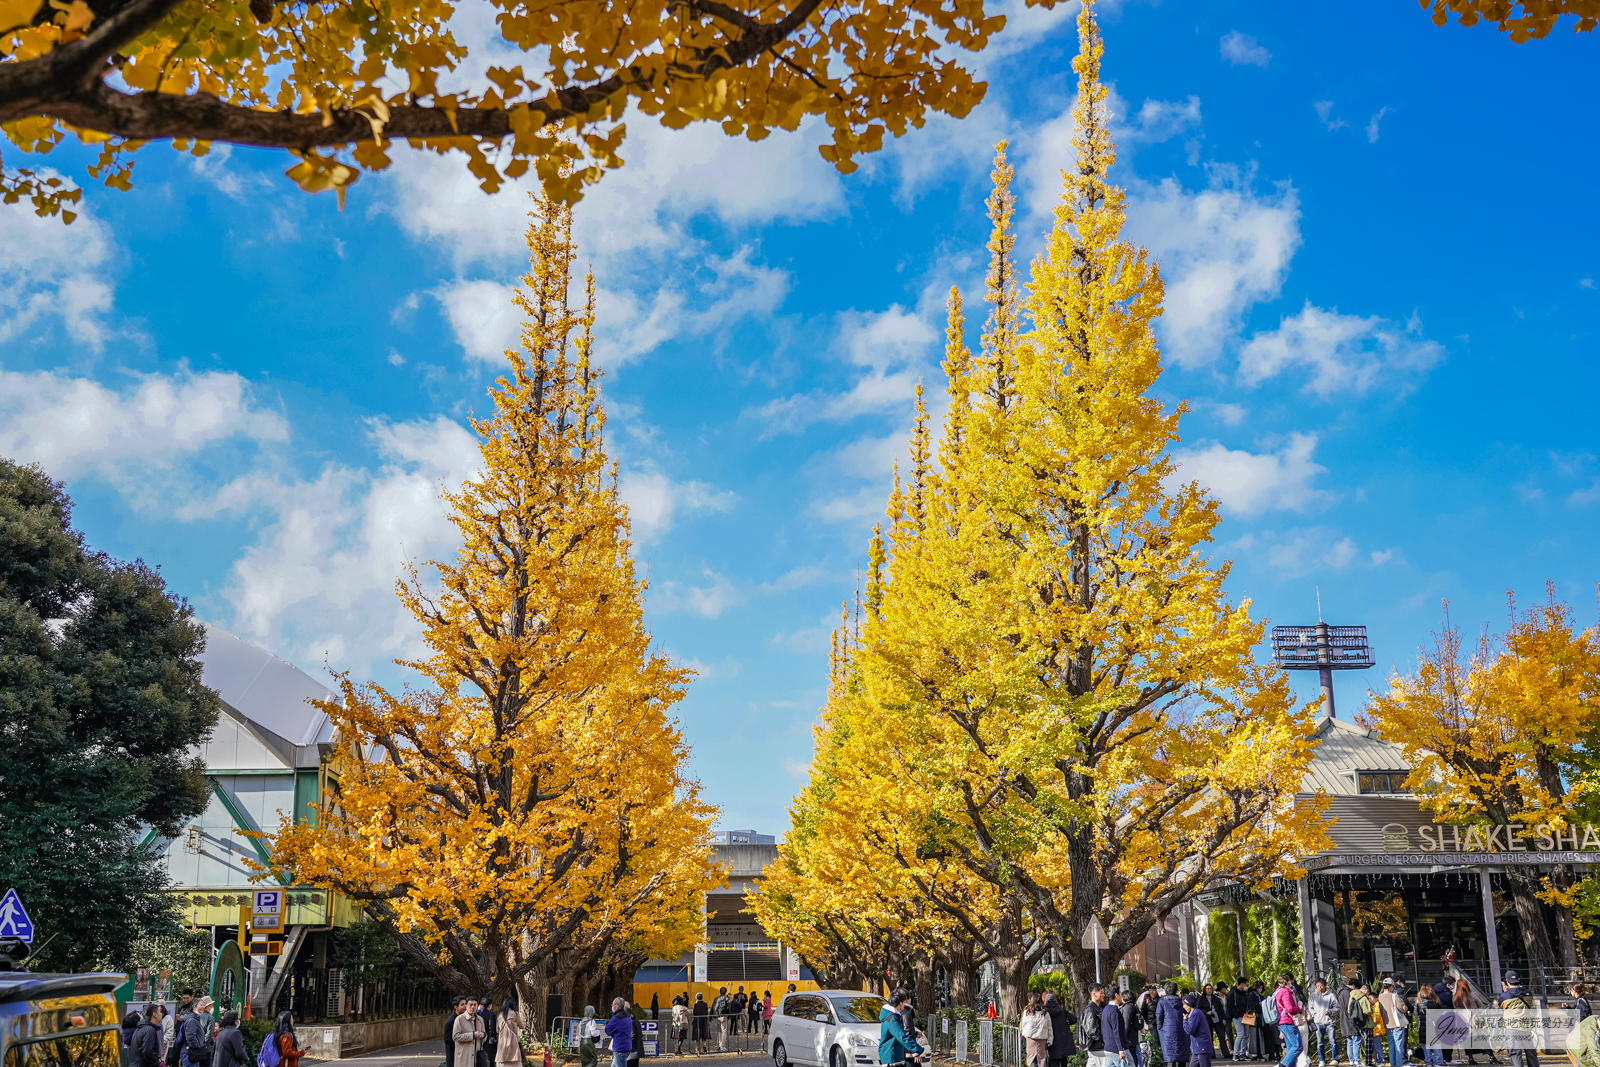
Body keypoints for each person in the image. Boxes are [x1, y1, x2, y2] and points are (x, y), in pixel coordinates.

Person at [1500, 972, 1539, 1067]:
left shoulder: (1505, 996)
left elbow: (1502, 1006)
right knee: (1531, 1053)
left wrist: (1505, 991)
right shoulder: (1528, 993)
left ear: (1507, 981)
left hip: (1512, 1028)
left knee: (1515, 1054)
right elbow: (1529, 1006)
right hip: (1526, 1027)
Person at [1270, 976, 1303, 1067]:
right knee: (1297, 1046)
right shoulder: (1285, 991)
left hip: (1280, 1022)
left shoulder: (1277, 992)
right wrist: (1299, 1007)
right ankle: (1283, 1065)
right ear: (1288, 982)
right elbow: (1289, 1008)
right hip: (1287, 1021)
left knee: (1290, 1048)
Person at [880, 990, 917, 1067]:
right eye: (904, 1002)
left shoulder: (892, 1016)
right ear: (900, 1003)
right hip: (892, 1056)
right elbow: (901, 1035)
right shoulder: (892, 1018)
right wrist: (916, 1049)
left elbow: (897, 1032)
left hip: (894, 1054)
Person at [1377, 979, 1407, 1067]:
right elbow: (1403, 1009)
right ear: (1390, 987)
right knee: (1398, 1045)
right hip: (1396, 1023)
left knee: (1391, 1045)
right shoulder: (1395, 996)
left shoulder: (1379, 997)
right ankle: (1399, 1064)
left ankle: (1392, 1064)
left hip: (1387, 1024)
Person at [1309, 980, 1339, 1067]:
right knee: (1320, 1042)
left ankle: (1335, 1059)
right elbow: (1310, 1007)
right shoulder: (1312, 996)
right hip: (1318, 1022)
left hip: (1329, 1022)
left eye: (1321, 985)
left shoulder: (1331, 996)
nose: (1319, 987)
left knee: (1332, 1041)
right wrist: (1315, 1015)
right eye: (1317, 985)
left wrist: (1330, 1012)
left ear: (1325, 986)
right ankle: (1321, 1060)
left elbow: (1337, 1007)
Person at [1157, 984, 1187, 1067]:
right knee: (1182, 1057)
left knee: (1170, 1057)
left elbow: (1159, 1018)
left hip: (1167, 1031)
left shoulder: (1162, 1001)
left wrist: (1160, 1030)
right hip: (1182, 1030)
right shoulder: (1181, 1001)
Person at [1023, 993, 1055, 1067]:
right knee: (1041, 1060)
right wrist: (1050, 1040)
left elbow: (1023, 1025)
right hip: (1042, 1040)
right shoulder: (1045, 1013)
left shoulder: (1027, 1012)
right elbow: (1049, 1027)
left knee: (1032, 1059)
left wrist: (1025, 1034)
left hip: (1031, 1039)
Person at [1045, 991, 1076, 1067]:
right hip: (1064, 1040)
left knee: (1053, 1061)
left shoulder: (1045, 1012)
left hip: (1052, 1040)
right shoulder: (1062, 1011)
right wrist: (1067, 1024)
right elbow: (1074, 1019)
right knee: (1064, 1061)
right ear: (1054, 1000)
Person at [1080, 985, 1109, 1067]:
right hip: (1098, 1048)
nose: (1103, 995)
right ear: (1094, 994)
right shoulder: (1091, 1010)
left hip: (1095, 1047)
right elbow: (1091, 1030)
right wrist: (1103, 1039)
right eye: (1101, 993)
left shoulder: (1098, 1008)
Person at [182, 997, 215, 1067]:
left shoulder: (196, 1018)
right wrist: (199, 1048)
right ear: (194, 1006)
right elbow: (191, 1037)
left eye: (204, 1005)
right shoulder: (192, 1020)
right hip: (192, 1053)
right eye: (201, 1005)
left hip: (193, 1052)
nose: (203, 1007)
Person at [1182, 995, 1214, 1067]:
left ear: (1189, 1004)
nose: (1183, 1007)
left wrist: (1184, 1020)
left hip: (1202, 1048)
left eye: (1184, 1004)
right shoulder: (1194, 1013)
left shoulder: (1196, 1014)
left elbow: (1189, 1030)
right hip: (1197, 1049)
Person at [455, 998, 487, 1067]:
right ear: (466, 1006)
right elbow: (455, 1036)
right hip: (464, 1056)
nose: (472, 1007)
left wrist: (483, 1035)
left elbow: (484, 1037)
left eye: (474, 1005)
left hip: (477, 1056)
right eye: (470, 1005)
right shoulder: (459, 1019)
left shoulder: (480, 1019)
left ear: (477, 1006)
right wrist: (472, 1035)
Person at [1416, 985, 1441, 1067]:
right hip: (1435, 1025)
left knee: (1426, 1044)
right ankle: (1438, 1062)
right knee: (1437, 1043)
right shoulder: (1436, 1002)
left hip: (1423, 1026)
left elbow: (1415, 1012)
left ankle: (1429, 1062)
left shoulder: (1419, 1003)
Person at [1105, 988, 1131, 1067]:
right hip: (1117, 1050)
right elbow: (1116, 1031)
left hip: (1108, 1048)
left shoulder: (1106, 1009)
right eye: (1120, 994)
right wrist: (1121, 1050)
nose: (1121, 996)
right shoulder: (1114, 1011)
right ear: (1116, 995)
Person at [605, 999, 634, 1067]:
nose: (612, 1006)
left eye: (613, 1005)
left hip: (619, 1047)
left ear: (617, 1006)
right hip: (627, 1046)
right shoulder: (628, 1017)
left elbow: (608, 1030)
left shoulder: (616, 1018)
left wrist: (613, 1033)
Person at [1122, 988, 1144, 1067]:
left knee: (1131, 1059)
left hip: (1129, 1039)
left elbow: (1126, 1023)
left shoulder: (1128, 1007)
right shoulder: (1134, 1006)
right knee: (1134, 1056)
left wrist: (1122, 1038)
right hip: (1133, 1038)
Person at [497, 998, 522, 1067]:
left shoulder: (500, 1015)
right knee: (516, 1063)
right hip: (513, 1042)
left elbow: (497, 1030)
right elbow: (522, 1026)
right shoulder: (515, 1014)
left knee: (502, 1063)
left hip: (502, 1044)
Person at [446, 998, 467, 1067]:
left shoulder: (466, 1018)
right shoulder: (450, 1021)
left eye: (466, 1004)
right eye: (462, 1004)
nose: (465, 1006)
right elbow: (447, 1039)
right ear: (456, 1007)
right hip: (454, 1054)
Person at [712, 987, 732, 1052]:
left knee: (719, 1030)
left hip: (718, 1015)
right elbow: (729, 1007)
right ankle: (722, 1046)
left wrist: (712, 1015)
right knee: (724, 1030)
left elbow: (713, 1006)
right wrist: (729, 1016)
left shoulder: (716, 998)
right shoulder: (726, 998)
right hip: (724, 1015)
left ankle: (719, 1044)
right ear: (725, 992)